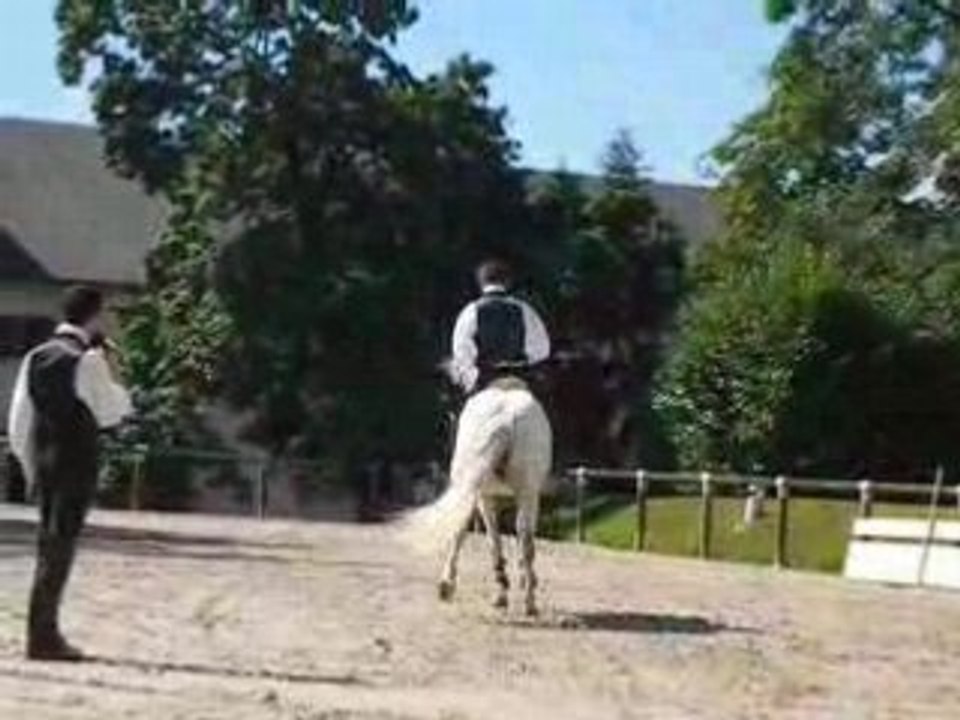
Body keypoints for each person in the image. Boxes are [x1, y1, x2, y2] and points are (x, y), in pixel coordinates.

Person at [7, 286, 132, 661]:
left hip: (45, 461)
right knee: (60, 549)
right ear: (95, 316)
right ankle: (43, 636)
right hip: (76, 463)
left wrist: (30, 466)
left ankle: (41, 631)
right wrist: (114, 370)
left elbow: (19, 421)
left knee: (48, 545)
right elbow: (112, 413)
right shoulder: (88, 361)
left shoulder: (36, 356)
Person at [448, 259, 551, 395]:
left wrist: (472, 380)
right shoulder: (524, 309)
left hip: (484, 380)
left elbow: (461, 351)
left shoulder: (470, 311)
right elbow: (542, 350)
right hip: (518, 378)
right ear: (508, 282)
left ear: (480, 283)